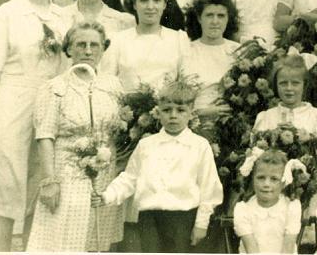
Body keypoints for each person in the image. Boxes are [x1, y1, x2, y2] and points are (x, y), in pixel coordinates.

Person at [92, 78, 224, 253]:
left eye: (180, 110)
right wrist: (107, 195)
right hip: (149, 218)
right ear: (158, 112)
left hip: (182, 219)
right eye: (167, 110)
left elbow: (209, 188)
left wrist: (201, 223)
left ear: (191, 113)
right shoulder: (147, 145)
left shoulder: (199, 146)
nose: (173, 115)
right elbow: (129, 178)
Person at [0, 0, 70, 251]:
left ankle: (29, 248)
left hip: (50, 101)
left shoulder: (63, 17)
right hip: (13, 100)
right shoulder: (8, 13)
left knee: (40, 176)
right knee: (8, 178)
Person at [27, 22, 125, 251]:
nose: (88, 51)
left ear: (103, 49)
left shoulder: (114, 86)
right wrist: (50, 182)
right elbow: (45, 136)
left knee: (97, 239)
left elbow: (121, 130)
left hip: (105, 174)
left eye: (94, 45)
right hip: (67, 173)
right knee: (64, 238)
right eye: (81, 44)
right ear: (69, 49)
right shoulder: (54, 87)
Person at [100, 0, 191, 92]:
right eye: (144, 0)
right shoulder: (118, 40)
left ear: (164, 4)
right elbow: (108, 82)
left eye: (156, 0)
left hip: (168, 108)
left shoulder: (178, 39)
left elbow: (187, 83)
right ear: (134, 4)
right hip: (126, 108)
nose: (150, 7)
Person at [183, 0, 240, 133]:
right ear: (199, 18)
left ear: (228, 18)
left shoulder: (238, 52)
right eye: (209, 15)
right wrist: (202, 113)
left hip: (230, 126)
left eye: (221, 16)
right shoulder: (186, 51)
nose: (215, 21)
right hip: (193, 124)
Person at [254, 54, 317, 146]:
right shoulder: (266, 118)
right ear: (276, 85)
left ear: (305, 84)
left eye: (295, 83)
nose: (289, 88)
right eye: (283, 83)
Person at [234, 149, 302, 254]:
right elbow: (251, 249)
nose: (266, 184)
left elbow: (288, 248)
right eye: (261, 177)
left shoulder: (291, 207)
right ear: (252, 179)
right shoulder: (243, 209)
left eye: (274, 179)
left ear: (284, 182)